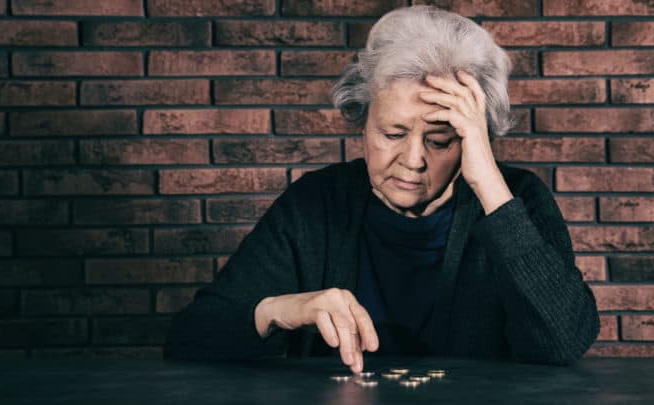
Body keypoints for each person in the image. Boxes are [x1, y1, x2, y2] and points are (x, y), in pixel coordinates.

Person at [163, 5, 600, 372]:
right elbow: (189, 338)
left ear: (473, 141)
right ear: (363, 121)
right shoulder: (316, 203)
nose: (413, 160)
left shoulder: (517, 198)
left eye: (440, 140)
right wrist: (283, 311)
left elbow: (562, 342)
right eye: (392, 134)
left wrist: (488, 183)